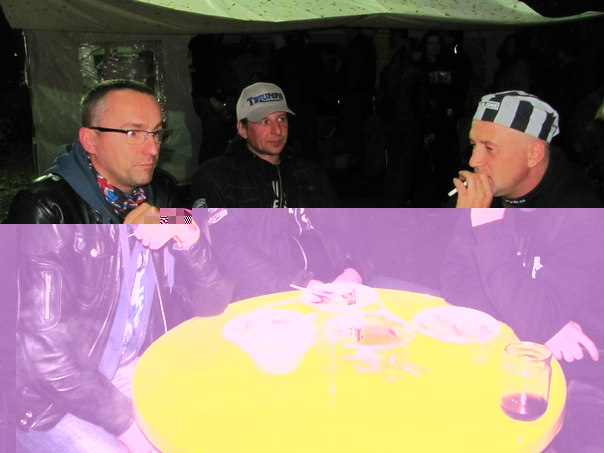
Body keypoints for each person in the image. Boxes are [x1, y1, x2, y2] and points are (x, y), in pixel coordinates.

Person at [15, 223, 233, 453]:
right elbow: (45, 360)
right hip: (43, 400)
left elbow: (214, 303)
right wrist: (127, 427)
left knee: (212, 421)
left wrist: (189, 235)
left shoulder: (161, 212)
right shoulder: (52, 218)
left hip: (122, 365)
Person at [440, 208, 604, 453]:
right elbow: (456, 281)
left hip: (583, 367)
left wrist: (540, 321)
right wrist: (538, 324)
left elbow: (547, 314)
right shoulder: (486, 204)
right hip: (506, 352)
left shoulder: (584, 214)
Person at [4, 79, 181, 224]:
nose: (153, 149)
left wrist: (177, 227)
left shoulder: (163, 187)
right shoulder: (45, 208)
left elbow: (189, 222)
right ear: (90, 140)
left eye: (156, 133)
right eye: (133, 133)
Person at [191, 82, 339, 207]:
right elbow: (194, 226)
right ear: (242, 129)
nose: (277, 130)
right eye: (264, 121)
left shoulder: (312, 175)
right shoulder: (214, 177)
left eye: (281, 119)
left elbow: (338, 227)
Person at [451, 90, 603, 207]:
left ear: (534, 154)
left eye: (489, 148)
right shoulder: (473, 197)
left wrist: (472, 226)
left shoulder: (581, 210)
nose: (473, 161)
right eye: (474, 145)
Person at [205, 208, 366, 301]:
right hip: (274, 296)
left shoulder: (312, 174)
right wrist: (300, 283)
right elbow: (229, 251)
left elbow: (359, 230)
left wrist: (355, 269)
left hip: (339, 285)